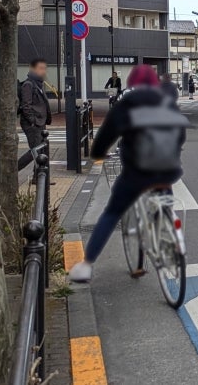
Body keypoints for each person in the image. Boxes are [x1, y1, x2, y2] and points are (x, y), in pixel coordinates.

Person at [68, 65, 187, 282]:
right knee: (163, 197)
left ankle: (86, 265)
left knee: (112, 212)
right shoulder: (168, 103)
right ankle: (169, 225)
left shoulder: (126, 104)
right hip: (168, 169)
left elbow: (106, 135)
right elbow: (180, 133)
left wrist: (98, 153)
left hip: (136, 173)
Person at [19, 58, 52, 149]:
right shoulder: (28, 84)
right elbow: (26, 105)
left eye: (45, 68)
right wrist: (33, 121)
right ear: (32, 69)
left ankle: (39, 164)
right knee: (36, 150)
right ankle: (18, 164)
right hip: (33, 124)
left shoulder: (39, 83)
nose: (43, 71)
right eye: (40, 68)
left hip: (40, 122)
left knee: (41, 150)